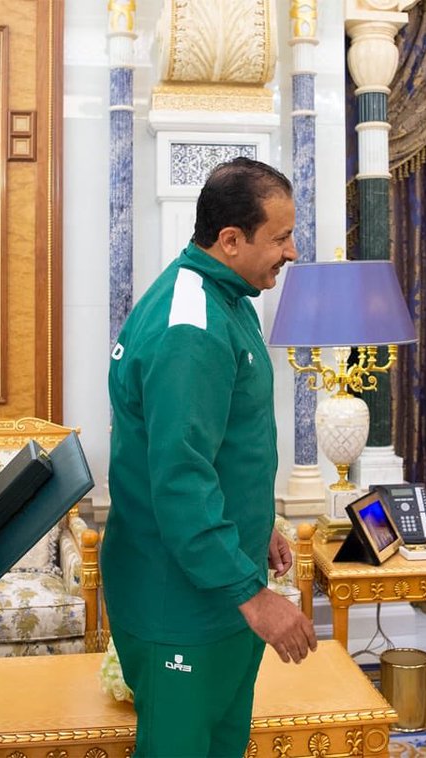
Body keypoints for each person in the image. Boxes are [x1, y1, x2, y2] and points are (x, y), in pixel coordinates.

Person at [102, 157, 317, 757]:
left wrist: (257, 524)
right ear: (230, 240)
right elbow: (181, 482)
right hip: (181, 603)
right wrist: (254, 596)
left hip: (218, 586)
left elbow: (225, 446)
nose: (292, 251)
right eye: (280, 237)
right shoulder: (190, 327)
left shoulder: (228, 298)